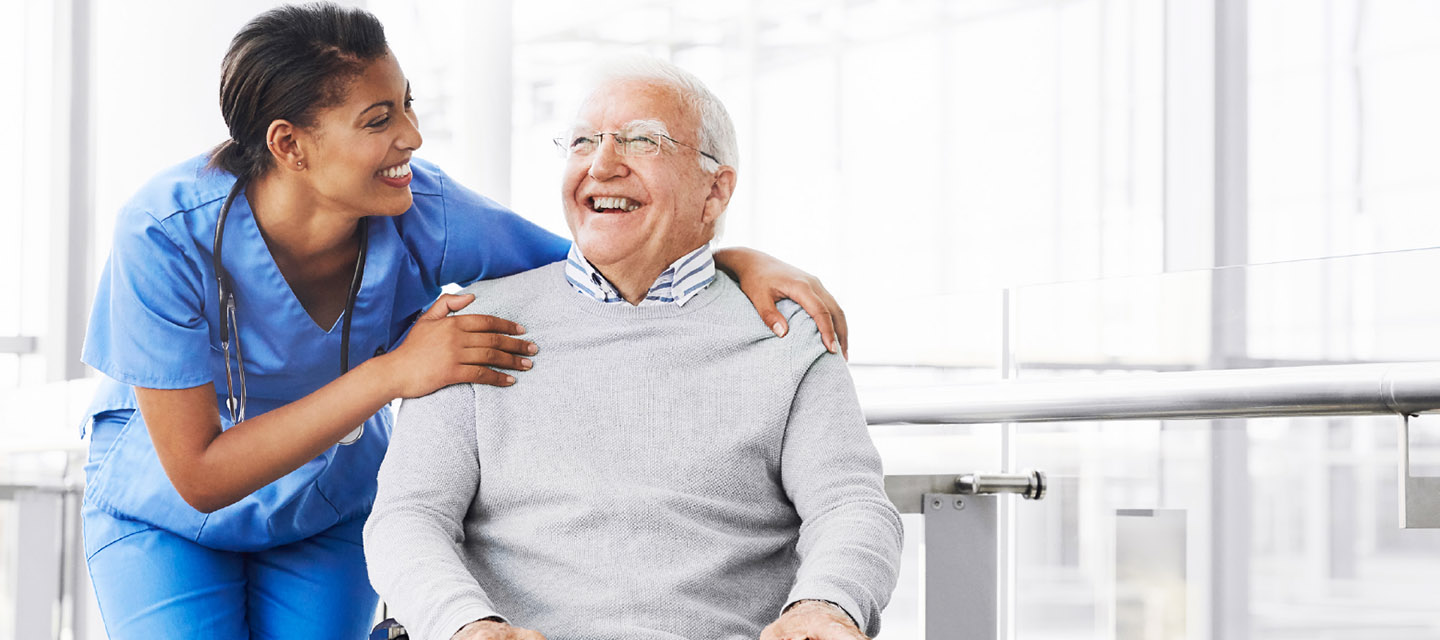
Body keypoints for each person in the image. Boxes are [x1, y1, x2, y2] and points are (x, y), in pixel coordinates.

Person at [79, 5, 849, 638]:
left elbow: (608, 259)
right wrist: (394, 373)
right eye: (379, 118)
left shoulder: (426, 210)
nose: (412, 136)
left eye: (408, 103)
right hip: (169, 513)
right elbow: (200, 476)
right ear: (291, 144)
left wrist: (734, 254)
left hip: (322, 505)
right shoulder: (165, 234)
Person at [364, 56, 903, 640]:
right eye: (581, 142)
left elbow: (850, 506)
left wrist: (825, 605)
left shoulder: (786, 334)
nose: (601, 164)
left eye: (641, 140)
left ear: (715, 189)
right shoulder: (472, 326)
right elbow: (408, 517)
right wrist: (466, 625)